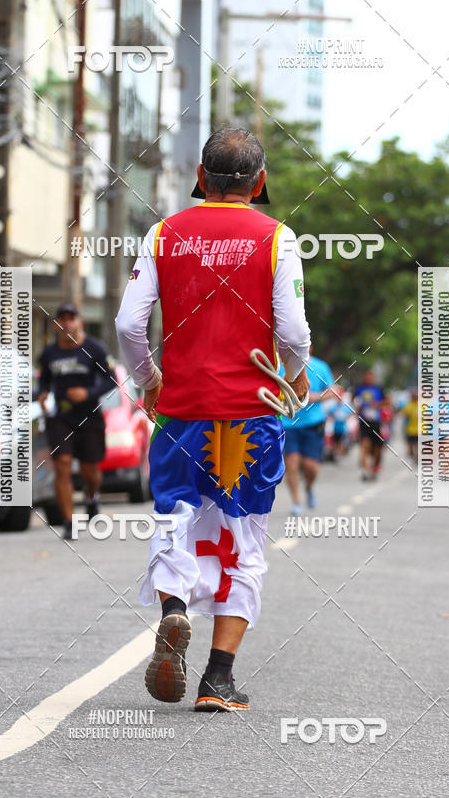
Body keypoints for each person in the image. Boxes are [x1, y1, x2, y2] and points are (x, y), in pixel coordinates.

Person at [115, 127, 310, 712]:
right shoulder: (277, 237)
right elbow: (293, 331)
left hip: (182, 414)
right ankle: (217, 680)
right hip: (250, 416)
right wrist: (295, 373)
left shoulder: (162, 234)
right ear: (260, 181)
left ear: (200, 177)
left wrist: (150, 381)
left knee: (175, 519)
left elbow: (128, 325)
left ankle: (175, 610)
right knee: (243, 536)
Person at [38, 303, 116, 540]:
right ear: (56, 325)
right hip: (61, 417)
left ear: (79, 322)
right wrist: (42, 393)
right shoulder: (49, 353)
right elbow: (44, 380)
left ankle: (92, 497)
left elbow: (111, 379)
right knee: (62, 464)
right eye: (62, 319)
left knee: (89, 471)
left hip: (89, 417)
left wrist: (88, 393)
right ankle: (69, 522)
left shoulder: (95, 348)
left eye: (71, 318)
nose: (67, 323)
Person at [281, 346, 334, 514]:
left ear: (309, 347)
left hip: (313, 423)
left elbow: (333, 391)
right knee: (292, 464)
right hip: (288, 423)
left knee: (311, 466)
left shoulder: (320, 366)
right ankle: (296, 502)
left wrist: (316, 397)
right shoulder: (281, 365)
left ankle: (309, 487)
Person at [353, 370, 385, 480]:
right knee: (364, 445)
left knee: (377, 448)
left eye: (370, 376)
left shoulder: (379, 389)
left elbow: (387, 402)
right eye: (366, 376)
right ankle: (364, 470)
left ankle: (375, 468)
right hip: (364, 422)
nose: (368, 378)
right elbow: (355, 402)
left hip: (376, 422)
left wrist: (377, 404)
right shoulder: (359, 389)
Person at [403, 387, 420, 462]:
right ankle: (413, 456)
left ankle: (417, 457)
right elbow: (404, 413)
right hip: (410, 429)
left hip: (419, 429)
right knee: (410, 446)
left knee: (418, 445)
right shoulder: (408, 405)